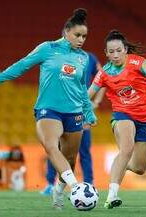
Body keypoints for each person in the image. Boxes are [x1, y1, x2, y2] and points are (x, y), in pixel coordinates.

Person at [0, 8, 97, 210]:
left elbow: (82, 87)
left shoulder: (84, 58)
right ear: (66, 31)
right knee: (52, 147)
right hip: (48, 110)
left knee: (70, 159)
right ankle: (76, 188)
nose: (81, 40)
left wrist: (88, 111)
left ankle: (58, 192)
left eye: (84, 36)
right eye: (77, 35)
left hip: (74, 112)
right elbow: (24, 64)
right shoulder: (48, 48)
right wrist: (0, 76)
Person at [88, 30, 146, 209]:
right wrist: (87, 112)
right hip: (122, 115)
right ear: (106, 53)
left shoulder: (138, 63)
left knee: (140, 168)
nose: (115, 55)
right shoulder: (103, 74)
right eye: (111, 52)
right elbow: (88, 96)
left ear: (125, 49)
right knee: (127, 148)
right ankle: (111, 196)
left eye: (119, 50)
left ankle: (120, 164)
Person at [40, 52, 105, 196]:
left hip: (79, 109)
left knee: (83, 149)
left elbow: (103, 76)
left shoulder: (90, 58)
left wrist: (96, 102)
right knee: (56, 148)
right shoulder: (57, 55)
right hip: (58, 108)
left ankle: (88, 184)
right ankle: (50, 184)